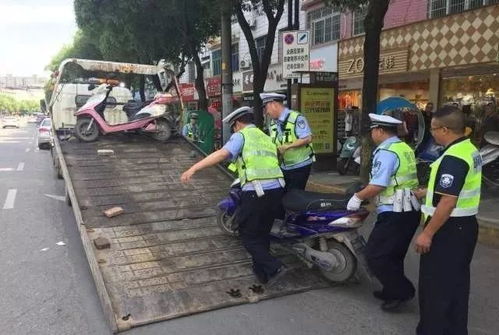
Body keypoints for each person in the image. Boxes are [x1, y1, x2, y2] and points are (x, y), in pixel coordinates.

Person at [180, 106, 287, 285]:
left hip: (257, 191)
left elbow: (222, 154)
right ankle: (263, 274)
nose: (233, 130)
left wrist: (194, 168)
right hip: (277, 190)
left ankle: (275, 266)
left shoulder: (242, 135)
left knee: (247, 234)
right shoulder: (265, 137)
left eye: (233, 127)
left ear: (237, 124)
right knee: (261, 233)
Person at [414, 105, 482, 335]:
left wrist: (427, 233)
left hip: (448, 229)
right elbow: (454, 190)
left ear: (444, 129)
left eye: (433, 129)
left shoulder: (453, 158)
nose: (432, 133)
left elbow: (448, 202)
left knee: (436, 287)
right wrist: (427, 193)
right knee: (455, 284)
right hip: (464, 227)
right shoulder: (467, 148)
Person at [347, 113, 420, 312]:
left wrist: (358, 197)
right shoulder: (403, 147)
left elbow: (379, 184)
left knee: (375, 255)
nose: (371, 134)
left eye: (372, 130)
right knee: (392, 255)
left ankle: (402, 290)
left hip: (395, 211)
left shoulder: (387, 151)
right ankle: (391, 291)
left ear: (379, 131)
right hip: (408, 209)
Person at [261, 92, 314, 190]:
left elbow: (307, 138)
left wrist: (288, 147)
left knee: (294, 196)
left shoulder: (296, 118)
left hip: (300, 164)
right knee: (282, 195)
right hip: (285, 166)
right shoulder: (273, 123)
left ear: (274, 105)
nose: (266, 112)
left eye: (267, 108)